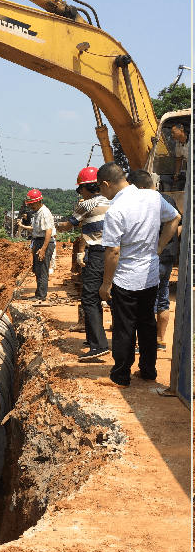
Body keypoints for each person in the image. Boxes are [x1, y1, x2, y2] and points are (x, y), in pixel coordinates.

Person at [95, 162, 180, 388]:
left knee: (124, 326)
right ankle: (148, 371)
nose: (102, 193)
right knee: (147, 323)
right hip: (150, 273)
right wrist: (160, 247)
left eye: (100, 189)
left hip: (126, 277)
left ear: (106, 184)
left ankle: (121, 376)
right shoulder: (152, 197)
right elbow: (175, 218)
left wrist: (106, 284)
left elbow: (113, 251)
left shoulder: (115, 210)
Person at [57, 167, 110, 361]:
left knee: (89, 297)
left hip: (97, 253)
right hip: (114, 253)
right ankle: (94, 339)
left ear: (86, 189)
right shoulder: (110, 201)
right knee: (110, 293)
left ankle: (99, 345)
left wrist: (55, 226)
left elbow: (67, 225)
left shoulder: (86, 204)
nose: (80, 194)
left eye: (80, 190)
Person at [127, 169, 180, 351]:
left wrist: (157, 246)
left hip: (149, 258)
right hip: (167, 256)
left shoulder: (143, 203)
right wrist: (165, 243)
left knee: (142, 300)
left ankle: (139, 342)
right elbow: (177, 225)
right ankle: (160, 340)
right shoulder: (168, 200)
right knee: (162, 298)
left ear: (140, 187)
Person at [21, 189, 55, 305]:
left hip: (44, 242)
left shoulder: (44, 213)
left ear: (38, 201)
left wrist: (43, 249)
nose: (30, 206)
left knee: (42, 270)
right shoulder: (38, 213)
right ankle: (38, 293)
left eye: (32, 204)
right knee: (38, 269)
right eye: (29, 204)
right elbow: (37, 230)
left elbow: (48, 232)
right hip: (38, 241)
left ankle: (41, 295)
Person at [171, 123, 189, 190]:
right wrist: (177, 173)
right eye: (171, 133)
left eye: (174, 132)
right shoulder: (178, 145)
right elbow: (179, 159)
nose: (172, 135)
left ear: (181, 131)